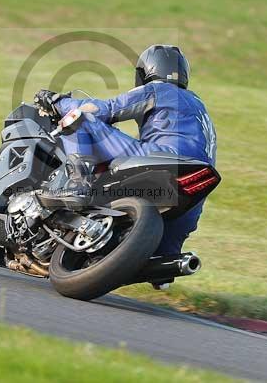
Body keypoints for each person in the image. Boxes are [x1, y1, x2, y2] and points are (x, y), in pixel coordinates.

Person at [33, 45, 216, 282]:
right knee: (163, 253)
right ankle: (163, 270)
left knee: (80, 118)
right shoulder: (201, 111)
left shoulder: (159, 89)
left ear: (146, 70)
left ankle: (77, 182)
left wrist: (58, 102)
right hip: (196, 186)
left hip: (163, 157)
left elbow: (104, 110)